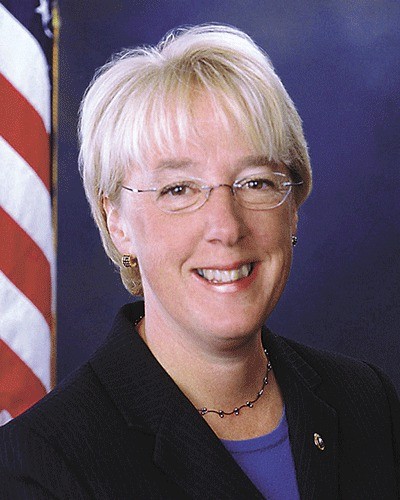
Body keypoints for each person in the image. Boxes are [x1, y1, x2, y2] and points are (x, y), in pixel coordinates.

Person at [0, 24, 399, 500]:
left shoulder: (368, 403)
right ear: (117, 221)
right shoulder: (39, 466)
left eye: (256, 182)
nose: (226, 227)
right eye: (179, 190)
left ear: (292, 205)